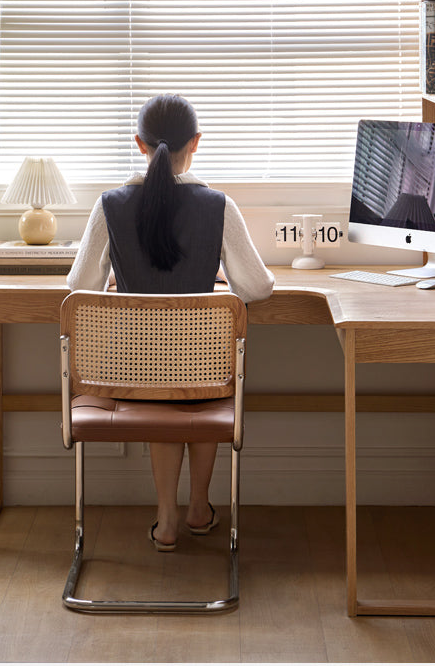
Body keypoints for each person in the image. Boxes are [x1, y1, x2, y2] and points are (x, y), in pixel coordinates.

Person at [67, 94, 274, 551]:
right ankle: (199, 508)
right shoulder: (218, 206)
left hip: (129, 372)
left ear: (139, 144)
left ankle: (166, 519)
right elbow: (257, 288)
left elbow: (79, 286)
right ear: (196, 143)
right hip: (206, 372)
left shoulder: (109, 205)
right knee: (197, 382)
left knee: (161, 384)